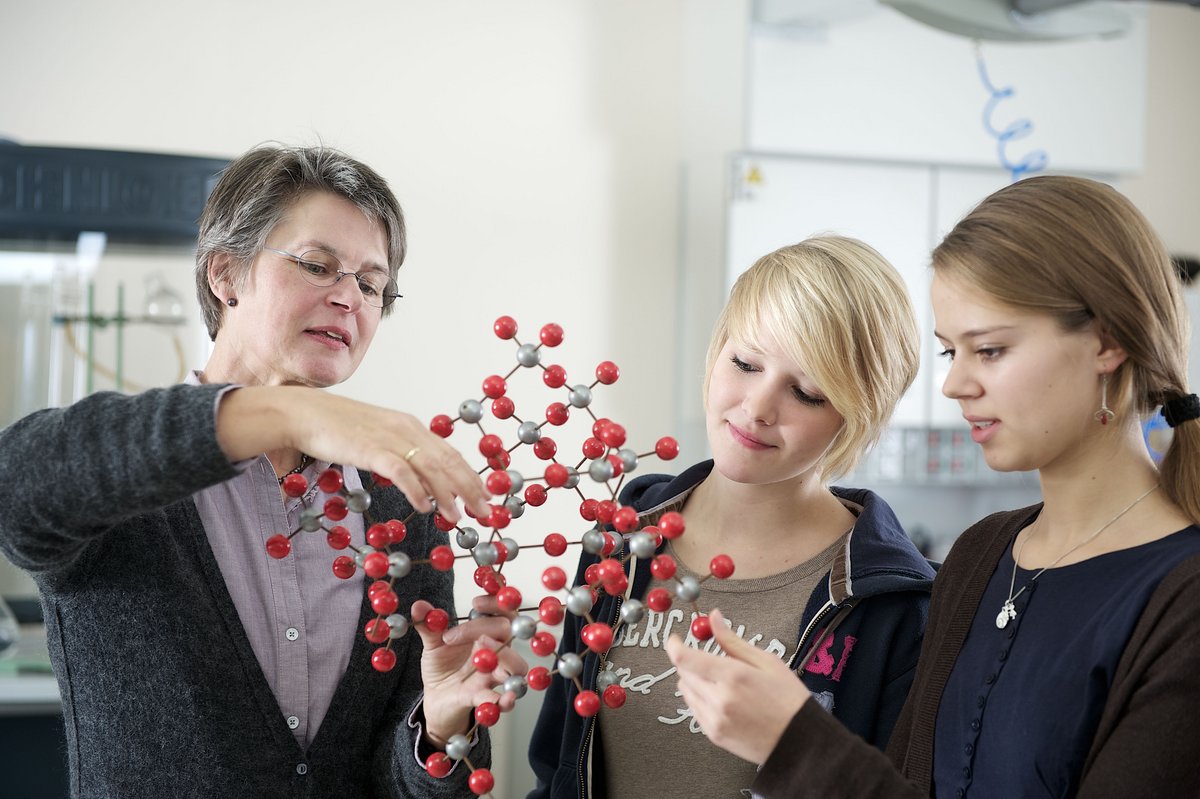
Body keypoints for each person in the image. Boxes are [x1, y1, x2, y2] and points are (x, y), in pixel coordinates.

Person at [0, 144, 525, 798]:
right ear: (226, 274)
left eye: (370, 283)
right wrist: (286, 415)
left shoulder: (396, 503)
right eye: (316, 264)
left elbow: (396, 780)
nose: (349, 299)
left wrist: (439, 725)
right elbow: (17, 486)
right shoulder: (134, 481)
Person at [667, 175, 1200, 798]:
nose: (955, 386)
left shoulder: (1181, 603)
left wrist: (800, 744)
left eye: (991, 350)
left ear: (1107, 342)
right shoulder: (982, 555)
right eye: (952, 353)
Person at [528, 236, 937, 797]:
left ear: (858, 414)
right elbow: (556, 769)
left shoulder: (898, 606)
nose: (758, 407)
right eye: (745, 363)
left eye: (808, 393)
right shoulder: (623, 535)